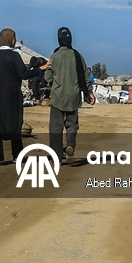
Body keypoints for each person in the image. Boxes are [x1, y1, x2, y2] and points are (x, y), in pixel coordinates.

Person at [0, 29, 47, 164]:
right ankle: (17, 155)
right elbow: (24, 74)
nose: (15, 40)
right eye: (14, 38)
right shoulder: (14, 56)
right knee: (14, 125)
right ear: (9, 39)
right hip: (12, 96)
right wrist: (40, 69)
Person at [44, 27, 91, 163]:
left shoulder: (54, 56)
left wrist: (54, 80)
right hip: (74, 95)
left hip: (58, 96)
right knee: (72, 125)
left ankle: (57, 156)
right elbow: (85, 76)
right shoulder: (78, 56)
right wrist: (89, 92)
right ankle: (70, 145)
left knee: (55, 127)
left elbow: (48, 76)